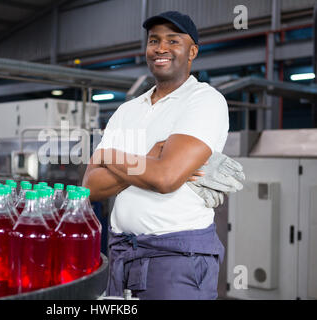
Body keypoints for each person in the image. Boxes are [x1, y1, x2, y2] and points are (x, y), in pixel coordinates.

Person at [82, 11, 245, 300]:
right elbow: (90, 188)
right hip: (121, 254)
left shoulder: (204, 100)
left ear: (192, 51)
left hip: (176, 257)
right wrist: (149, 158)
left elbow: (166, 178)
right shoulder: (127, 110)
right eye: (154, 40)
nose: (161, 48)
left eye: (173, 40)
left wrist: (108, 156)